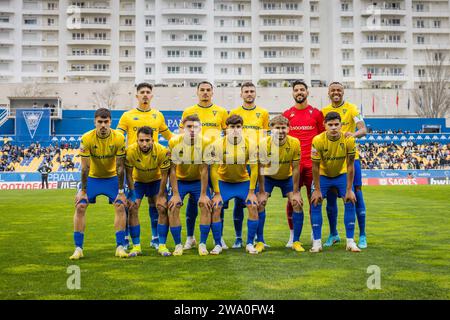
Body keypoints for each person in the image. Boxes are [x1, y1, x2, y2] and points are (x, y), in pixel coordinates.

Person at [117, 82, 173, 250]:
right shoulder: (127, 116)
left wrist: (176, 146)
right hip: (135, 169)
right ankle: (127, 238)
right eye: (142, 92)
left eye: (148, 92)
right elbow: (119, 135)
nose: (145, 95)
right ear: (137, 95)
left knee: (155, 205)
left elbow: (169, 136)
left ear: (152, 95)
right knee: (131, 206)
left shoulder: (158, 115)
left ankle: (156, 239)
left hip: (154, 169)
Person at [69, 108, 128, 260]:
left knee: (120, 205)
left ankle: (120, 246)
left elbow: (121, 167)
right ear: (95, 122)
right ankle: (78, 248)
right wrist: (82, 190)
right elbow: (85, 167)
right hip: (93, 178)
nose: (103, 125)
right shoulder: (87, 138)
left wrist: (121, 191)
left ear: (110, 122)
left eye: (106, 122)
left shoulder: (119, 138)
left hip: (112, 178)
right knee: (80, 205)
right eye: (100, 122)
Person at [179, 81, 228, 250]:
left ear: (212, 92)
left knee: (216, 200)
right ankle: (190, 237)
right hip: (194, 159)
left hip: (214, 161)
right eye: (202, 90)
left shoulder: (221, 112)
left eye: (208, 90)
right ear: (197, 92)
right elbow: (182, 133)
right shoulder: (189, 111)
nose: (205, 93)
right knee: (194, 202)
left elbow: (227, 134)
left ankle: (219, 237)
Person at [321, 82, 368, 249]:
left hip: (350, 158)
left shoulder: (352, 109)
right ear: (328, 92)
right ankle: (334, 234)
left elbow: (363, 130)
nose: (336, 93)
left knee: (356, 193)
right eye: (333, 90)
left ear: (343, 92)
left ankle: (362, 235)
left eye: (339, 90)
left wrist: (352, 135)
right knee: (331, 197)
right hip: (330, 160)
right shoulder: (324, 112)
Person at [208, 114, 259, 255]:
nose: (235, 130)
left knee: (253, 206)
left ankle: (249, 243)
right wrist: (217, 193)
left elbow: (254, 169)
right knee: (216, 208)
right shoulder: (218, 144)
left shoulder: (251, 144)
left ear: (242, 128)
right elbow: (213, 170)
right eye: (232, 127)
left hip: (243, 182)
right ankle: (218, 244)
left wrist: (251, 191)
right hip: (224, 183)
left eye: (238, 127)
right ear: (226, 129)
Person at [309, 111, 360, 253]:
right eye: (330, 124)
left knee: (350, 200)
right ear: (324, 125)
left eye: (336, 124)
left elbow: (350, 165)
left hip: (341, 175)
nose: (333, 128)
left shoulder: (349, 140)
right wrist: (317, 189)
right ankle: (317, 243)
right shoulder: (317, 140)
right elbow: (315, 166)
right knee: (315, 201)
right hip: (323, 176)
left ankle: (350, 242)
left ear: (341, 125)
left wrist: (349, 190)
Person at [282, 80, 324, 247]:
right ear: (292, 93)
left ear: (307, 92)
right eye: (296, 90)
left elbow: (322, 138)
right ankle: (293, 235)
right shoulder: (287, 115)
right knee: (292, 200)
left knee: (314, 199)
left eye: (302, 89)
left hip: (312, 166)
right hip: (294, 166)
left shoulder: (316, 114)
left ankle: (315, 235)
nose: (299, 92)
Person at [228, 82, 269, 249]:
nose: (249, 94)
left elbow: (266, 137)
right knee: (239, 201)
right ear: (241, 94)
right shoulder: (235, 113)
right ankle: (238, 238)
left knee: (259, 200)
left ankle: (260, 238)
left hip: (257, 162)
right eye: (246, 91)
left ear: (255, 93)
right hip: (240, 161)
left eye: (252, 91)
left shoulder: (264, 113)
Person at [257, 115, 304, 252]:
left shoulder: (295, 142)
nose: (280, 131)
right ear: (271, 129)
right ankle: (260, 241)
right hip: (268, 177)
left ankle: (296, 241)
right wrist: (260, 192)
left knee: (297, 203)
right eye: (277, 128)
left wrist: (295, 192)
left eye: (283, 128)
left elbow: (295, 168)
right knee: (260, 203)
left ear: (288, 129)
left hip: (286, 177)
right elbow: (260, 168)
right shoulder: (263, 144)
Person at [167, 115, 212, 256]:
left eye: (196, 127)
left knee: (206, 205)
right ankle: (178, 245)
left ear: (200, 129)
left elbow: (204, 170)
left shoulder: (205, 142)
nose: (192, 130)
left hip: (198, 181)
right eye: (189, 127)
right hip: (180, 180)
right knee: (173, 206)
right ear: (183, 128)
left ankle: (202, 244)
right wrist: (175, 194)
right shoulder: (174, 142)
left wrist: (204, 194)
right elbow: (172, 170)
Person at [124, 126, 171, 257]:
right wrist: (132, 192)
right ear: (137, 140)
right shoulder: (130, 151)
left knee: (162, 208)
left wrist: (161, 195)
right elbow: (128, 174)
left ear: (153, 140)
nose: (144, 144)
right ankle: (136, 246)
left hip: (156, 182)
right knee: (132, 208)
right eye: (141, 140)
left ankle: (162, 245)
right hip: (138, 182)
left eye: (147, 140)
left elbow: (164, 175)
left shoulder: (161, 150)